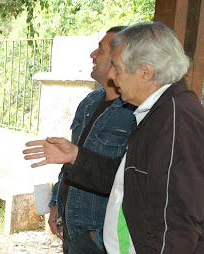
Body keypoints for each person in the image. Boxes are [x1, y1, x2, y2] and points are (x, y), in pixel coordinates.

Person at [23, 22, 204, 253]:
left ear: (146, 72)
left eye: (117, 68)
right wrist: (76, 156)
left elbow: (175, 225)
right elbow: (128, 181)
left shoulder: (176, 120)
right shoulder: (155, 114)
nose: (111, 75)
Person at [48, 26, 136, 254]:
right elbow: (71, 160)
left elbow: (132, 183)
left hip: (99, 238)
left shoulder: (135, 113)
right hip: (72, 229)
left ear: (120, 59)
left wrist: (97, 235)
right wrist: (56, 203)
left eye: (101, 49)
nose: (92, 55)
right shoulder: (90, 102)